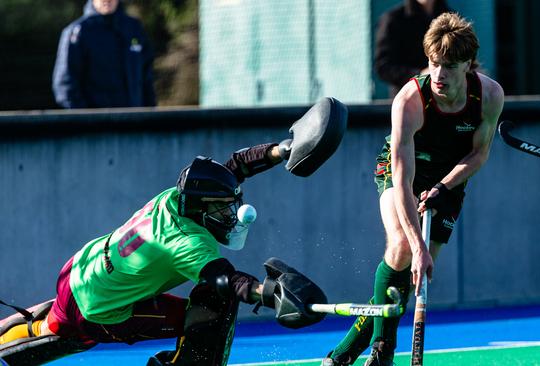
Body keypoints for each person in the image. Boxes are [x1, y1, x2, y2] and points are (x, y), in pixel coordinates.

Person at [0, 143, 329, 365]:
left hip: (79, 272)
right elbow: (225, 280)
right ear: (201, 210)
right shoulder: (187, 243)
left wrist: (281, 150)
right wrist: (269, 293)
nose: (231, 216)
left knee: (53, 325)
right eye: (223, 210)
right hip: (97, 309)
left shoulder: (173, 199)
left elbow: (233, 168)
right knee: (215, 307)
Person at [322, 12, 504, 366]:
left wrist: (444, 185)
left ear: (468, 64)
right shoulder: (410, 100)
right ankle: (382, 351)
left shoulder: (489, 95)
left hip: (449, 176)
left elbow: (479, 155)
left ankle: (341, 355)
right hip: (400, 170)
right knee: (405, 248)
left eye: (450, 66)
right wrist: (419, 246)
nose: (439, 74)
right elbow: (403, 181)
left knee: (412, 278)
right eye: (434, 63)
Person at [52, 0, 156, 108]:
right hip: (97, 121)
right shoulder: (77, 33)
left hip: (133, 119)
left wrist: (148, 117)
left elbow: (147, 79)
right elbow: (65, 86)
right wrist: (88, 119)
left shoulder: (134, 28)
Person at [374, 0, 451, 98]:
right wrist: (420, 75)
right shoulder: (392, 19)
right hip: (408, 99)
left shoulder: (451, 19)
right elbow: (383, 67)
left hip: (446, 99)